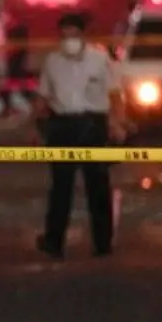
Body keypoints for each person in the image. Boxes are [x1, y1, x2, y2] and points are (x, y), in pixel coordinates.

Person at [33, 13, 126, 259]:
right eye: (64, 35)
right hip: (62, 125)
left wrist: (117, 122)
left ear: (83, 35)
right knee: (60, 187)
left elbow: (115, 93)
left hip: (92, 124)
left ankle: (102, 243)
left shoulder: (100, 59)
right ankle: (54, 242)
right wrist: (37, 127)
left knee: (98, 186)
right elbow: (43, 96)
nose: (68, 40)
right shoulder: (52, 61)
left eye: (73, 35)